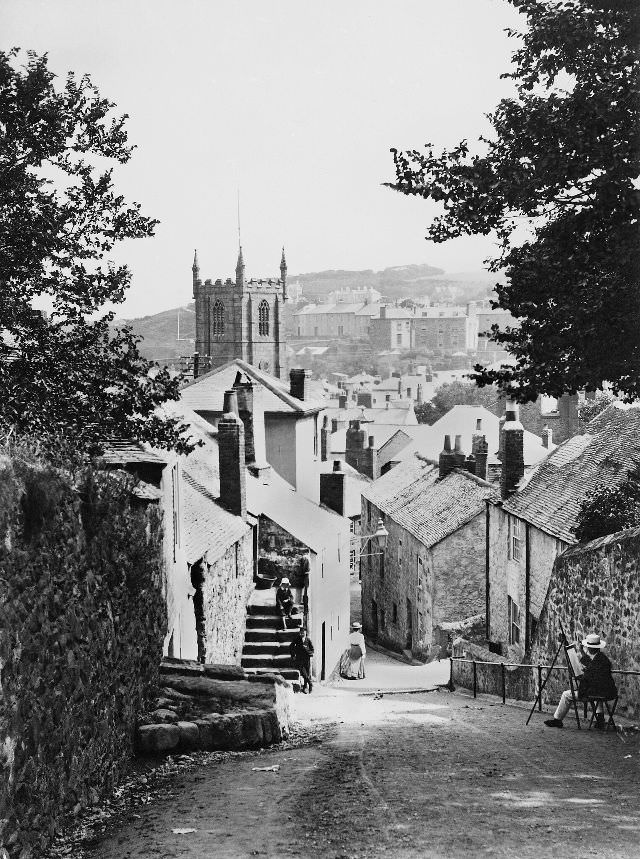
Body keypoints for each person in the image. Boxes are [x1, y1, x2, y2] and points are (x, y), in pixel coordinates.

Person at [545, 632, 618, 730]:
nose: (586, 649)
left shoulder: (596, 662)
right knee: (597, 691)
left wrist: (579, 677)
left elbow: (588, 678)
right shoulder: (602, 658)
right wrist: (583, 656)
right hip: (608, 691)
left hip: (601, 692)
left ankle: (557, 720)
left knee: (566, 695)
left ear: (590, 648)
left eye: (587, 648)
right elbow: (592, 668)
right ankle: (600, 719)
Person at [290, 627, 314, 693]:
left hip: (307, 659)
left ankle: (305, 687)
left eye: (303, 633)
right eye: (301, 633)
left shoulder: (308, 640)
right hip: (299, 659)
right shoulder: (297, 639)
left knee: (307, 673)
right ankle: (310, 684)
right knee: (304, 674)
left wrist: (307, 651)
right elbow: (291, 646)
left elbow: (312, 650)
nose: (302, 634)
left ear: (306, 633)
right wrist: (293, 655)